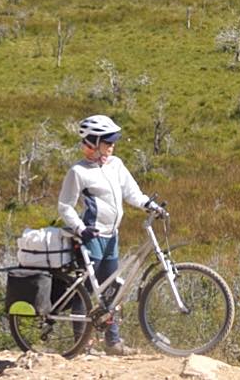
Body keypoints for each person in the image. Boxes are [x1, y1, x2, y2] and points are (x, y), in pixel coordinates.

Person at [56, 114, 166, 356]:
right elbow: (65, 206)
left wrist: (150, 205)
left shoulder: (115, 164)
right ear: (93, 142)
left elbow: (132, 192)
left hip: (112, 237)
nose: (112, 146)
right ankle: (81, 344)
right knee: (84, 291)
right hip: (91, 237)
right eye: (108, 141)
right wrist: (80, 228)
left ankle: (113, 342)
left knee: (112, 290)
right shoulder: (78, 172)